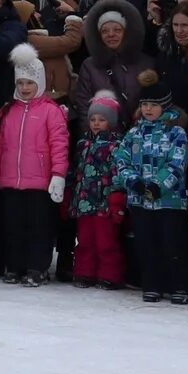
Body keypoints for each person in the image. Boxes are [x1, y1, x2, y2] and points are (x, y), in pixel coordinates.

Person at [0, 43, 68, 284]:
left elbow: (59, 145)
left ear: (40, 83)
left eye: (30, 83)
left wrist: (58, 175)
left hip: (40, 183)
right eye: (20, 83)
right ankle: (15, 266)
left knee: (38, 228)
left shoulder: (51, 111)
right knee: (13, 227)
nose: (24, 88)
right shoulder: (6, 111)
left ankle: (37, 267)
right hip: (11, 181)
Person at [119, 75, 188, 303]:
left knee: (172, 243)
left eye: (153, 105)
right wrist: (135, 182)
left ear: (165, 106)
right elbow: (121, 159)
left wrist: (158, 185)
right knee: (146, 244)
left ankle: (178, 285)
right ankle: (152, 284)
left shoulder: (176, 133)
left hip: (169, 201)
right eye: (144, 105)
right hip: (140, 200)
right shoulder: (134, 133)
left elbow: (177, 163)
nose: (148, 109)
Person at [67, 91, 128, 288]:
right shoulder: (83, 144)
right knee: (85, 240)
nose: (96, 123)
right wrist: (70, 194)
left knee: (106, 242)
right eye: (93, 119)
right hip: (84, 202)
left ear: (111, 121)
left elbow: (118, 173)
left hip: (104, 203)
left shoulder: (116, 145)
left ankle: (109, 275)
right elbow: (76, 171)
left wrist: (117, 198)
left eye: (101, 119)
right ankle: (84, 272)